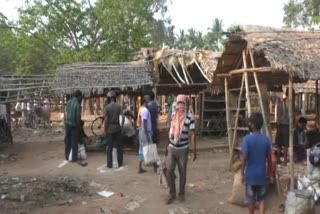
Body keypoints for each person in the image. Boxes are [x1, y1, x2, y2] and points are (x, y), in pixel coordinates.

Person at [166, 94, 196, 204]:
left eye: (182, 103)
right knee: (169, 170)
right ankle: (171, 193)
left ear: (185, 104)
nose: (180, 105)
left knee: (182, 172)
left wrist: (194, 150)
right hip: (172, 147)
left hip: (183, 149)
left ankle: (181, 193)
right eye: (178, 103)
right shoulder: (174, 114)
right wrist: (167, 145)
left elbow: (192, 134)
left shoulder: (190, 117)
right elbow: (171, 130)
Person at [241, 112, 272, 214]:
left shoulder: (247, 139)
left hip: (250, 176)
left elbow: (244, 158)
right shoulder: (266, 139)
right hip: (262, 175)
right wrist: (269, 174)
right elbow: (269, 159)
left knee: (251, 199)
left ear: (253, 125)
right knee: (262, 199)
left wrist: (242, 173)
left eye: (250, 123)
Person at [104, 91, 125, 168]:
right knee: (119, 146)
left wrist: (105, 130)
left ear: (109, 98)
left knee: (109, 147)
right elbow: (122, 117)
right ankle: (120, 162)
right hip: (118, 128)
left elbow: (106, 120)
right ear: (115, 98)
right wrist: (122, 127)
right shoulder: (119, 106)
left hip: (110, 129)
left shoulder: (107, 107)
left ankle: (109, 164)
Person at [65, 90, 84, 165]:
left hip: (67, 124)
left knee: (67, 141)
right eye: (80, 97)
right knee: (74, 141)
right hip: (74, 125)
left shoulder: (69, 102)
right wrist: (78, 126)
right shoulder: (77, 104)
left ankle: (67, 156)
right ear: (78, 96)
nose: (80, 98)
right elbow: (77, 117)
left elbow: (67, 113)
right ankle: (74, 158)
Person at [138, 94, 155, 173]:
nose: (150, 102)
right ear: (146, 101)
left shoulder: (142, 109)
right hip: (145, 132)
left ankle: (139, 168)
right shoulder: (145, 110)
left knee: (142, 149)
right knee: (151, 148)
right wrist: (147, 135)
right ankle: (155, 167)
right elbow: (144, 123)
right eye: (148, 100)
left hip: (142, 131)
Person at [276, 89, 290, 165]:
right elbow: (289, 115)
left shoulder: (281, 101)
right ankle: (284, 161)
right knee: (285, 144)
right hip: (286, 125)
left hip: (279, 125)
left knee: (279, 143)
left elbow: (278, 113)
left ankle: (278, 159)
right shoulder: (289, 102)